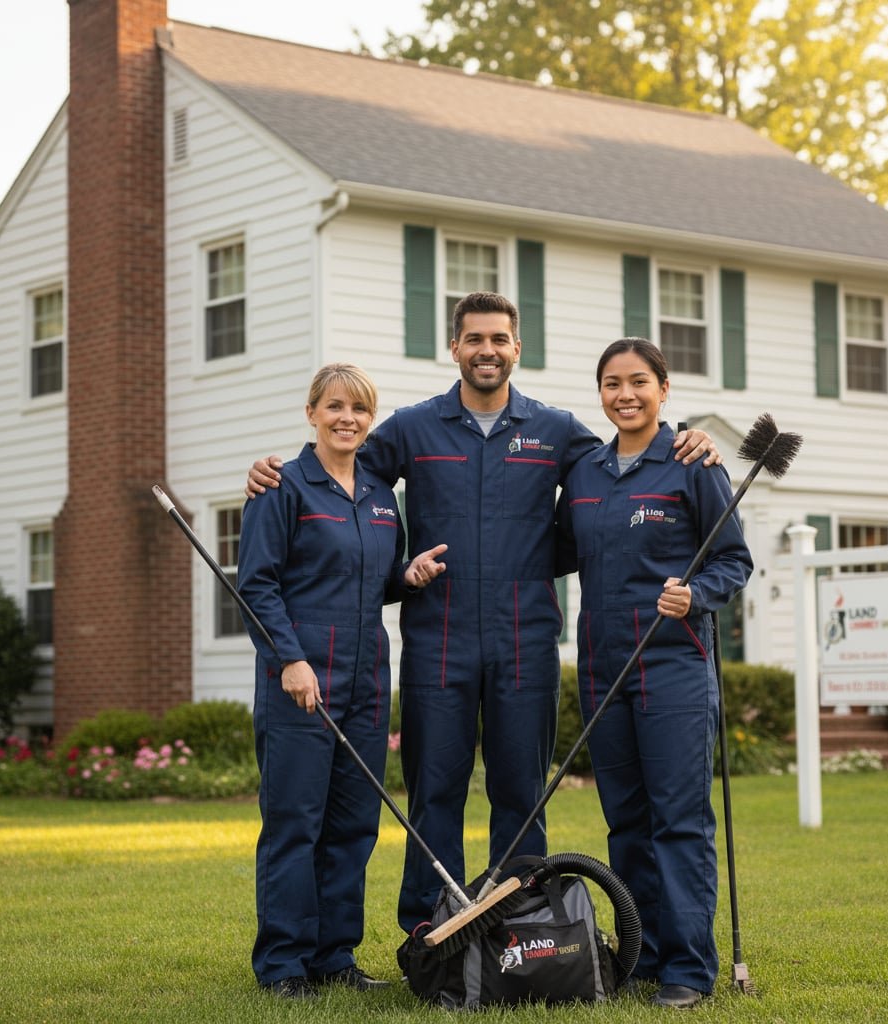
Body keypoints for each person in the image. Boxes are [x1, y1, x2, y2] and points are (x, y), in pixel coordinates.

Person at [245, 292, 720, 934]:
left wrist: (688, 436)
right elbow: (338, 465)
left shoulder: (555, 431)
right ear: (456, 348)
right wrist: (271, 472)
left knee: (520, 800)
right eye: (474, 339)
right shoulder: (413, 429)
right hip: (437, 647)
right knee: (434, 798)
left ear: (516, 348)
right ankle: (429, 931)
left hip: (525, 644)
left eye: (499, 339)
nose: (487, 350)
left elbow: (625, 460)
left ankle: (520, 926)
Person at [237, 363, 448, 998]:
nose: (346, 418)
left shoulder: (382, 496)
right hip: (301, 677)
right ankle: (282, 963)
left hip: (365, 678)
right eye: (334, 406)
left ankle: (334, 956)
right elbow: (256, 586)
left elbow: (378, 578)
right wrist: (289, 660)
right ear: (312, 414)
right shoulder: (282, 488)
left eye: (358, 408)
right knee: (295, 823)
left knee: (353, 825)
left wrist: (405, 578)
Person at [555, 338, 753, 1010]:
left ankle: (689, 968)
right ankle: (643, 957)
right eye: (611, 383)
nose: (625, 395)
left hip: (673, 667)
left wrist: (695, 595)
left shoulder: (693, 464)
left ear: (664, 388)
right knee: (627, 823)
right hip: (601, 666)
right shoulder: (585, 472)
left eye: (638, 381)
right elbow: (550, 549)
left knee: (679, 821)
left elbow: (733, 562)